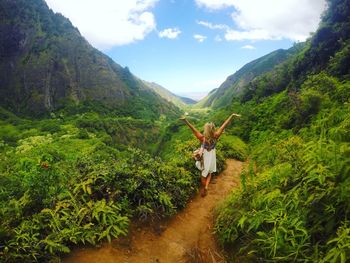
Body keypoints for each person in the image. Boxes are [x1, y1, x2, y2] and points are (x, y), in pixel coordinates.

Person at [180, 113, 241, 197]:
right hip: (212, 156)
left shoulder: (202, 138)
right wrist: (232, 116)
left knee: (203, 175)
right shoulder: (216, 135)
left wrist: (185, 121)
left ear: (206, 130)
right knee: (210, 172)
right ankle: (206, 186)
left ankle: (205, 186)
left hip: (205, 157)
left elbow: (193, 129)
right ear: (213, 129)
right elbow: (225, 124)